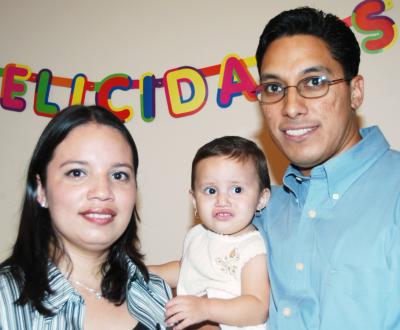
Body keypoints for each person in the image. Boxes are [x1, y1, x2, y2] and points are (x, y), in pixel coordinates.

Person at [252, 6, 400, 330]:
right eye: (274, 88)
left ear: (355, 91)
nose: (290, 107)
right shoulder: (257, 209)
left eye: (314, 81)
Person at [0, 105, 172, 330]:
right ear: (41, 190)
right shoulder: (4, 301)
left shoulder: (158, 292)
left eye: (119, 175)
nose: (102, 191)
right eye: (77, 172)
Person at [150, 136, 270, 330]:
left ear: (261, 199)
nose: (222, 200)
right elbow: (186, 269)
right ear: (194, 200)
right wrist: (149, 272)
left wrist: (206, 308)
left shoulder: (253, 247)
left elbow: (257, 307)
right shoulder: (197, 235)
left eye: (237, 189)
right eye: (211, 190)